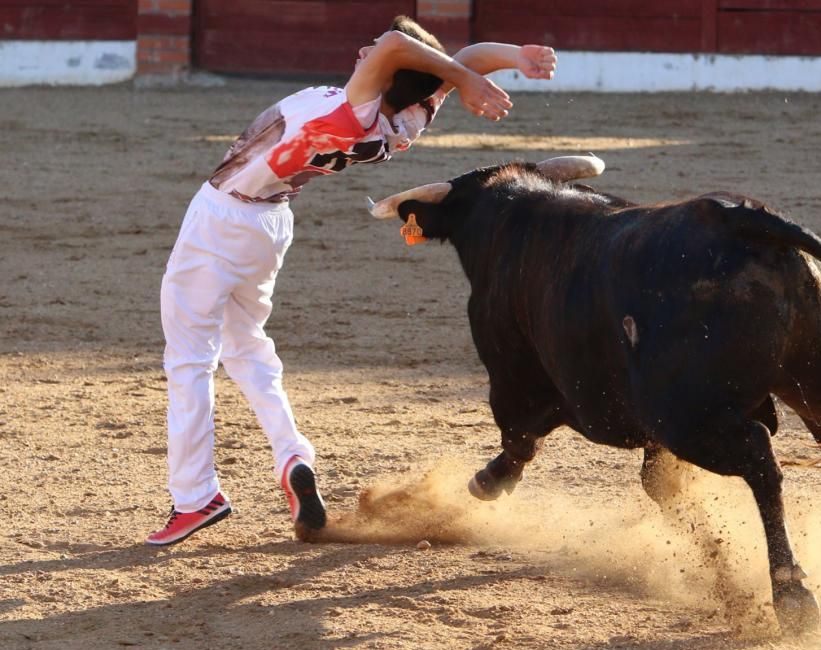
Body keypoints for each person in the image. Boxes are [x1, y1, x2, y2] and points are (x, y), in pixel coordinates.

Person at [146, 16, 557, 546]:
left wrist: (464, 75)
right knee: (248, 348)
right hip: (271, 223)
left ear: (388, 77)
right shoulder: (404, 121)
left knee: (188, 359)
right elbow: (453, 60)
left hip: (224, 218)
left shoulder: (357, 107)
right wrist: (508, 58)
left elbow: (393, 45)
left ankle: (196, 495)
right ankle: (292, 454)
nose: (364, 50)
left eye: (375, 59)